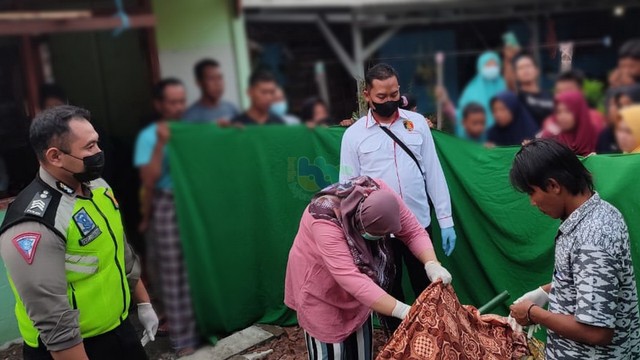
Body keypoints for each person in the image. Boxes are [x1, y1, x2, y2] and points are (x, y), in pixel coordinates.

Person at [0, 105, 158, 359]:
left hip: (116, 330)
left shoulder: (97, 187)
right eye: (89, 147)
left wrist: (143, 302)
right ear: (55, 156)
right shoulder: (35, 223)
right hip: (72, 348)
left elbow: (120, 251)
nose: (99, 152)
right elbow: (54, 321)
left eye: (97, 143)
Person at [340, 64, 456, 331]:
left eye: (394, 94)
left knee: (428, 284)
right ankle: (398, 342)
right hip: (378, 232)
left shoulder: (416, 125)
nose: (389, 101)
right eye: (381, 97)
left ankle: (435, 335)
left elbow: (434, 172)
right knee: (388, 289)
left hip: (418, 224)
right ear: (367, 95)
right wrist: (352, 234)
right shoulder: (353, 136)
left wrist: (445, 219)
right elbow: (347, 187)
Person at [284, 176, 452, 360]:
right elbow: (350, 278)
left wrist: (432, 264)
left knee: (360, 348)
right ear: (358, 224)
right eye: (373, 236)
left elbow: (413, 231)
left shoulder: (380, 192)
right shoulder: (323, 217)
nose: (380, 242)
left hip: (361, 286)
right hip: (319, 284)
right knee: (331, 352)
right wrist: (404, 311)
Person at [508, 139, 640, 360]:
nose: (532, 202)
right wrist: (547, 291)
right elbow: (591, 281)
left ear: (553, 185)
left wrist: (533, 313)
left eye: (532, 192)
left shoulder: (593, 238)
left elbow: (597, 332)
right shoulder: (598, 212)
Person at [133, 79, 199, 356]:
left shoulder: (193, 130)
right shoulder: (150, 136)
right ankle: (183, 341)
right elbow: (149, 179)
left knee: (197, 270)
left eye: (181, 100)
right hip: (167, 204)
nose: (178, 107)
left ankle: (198, 328)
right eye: (172, 102)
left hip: (196, 206)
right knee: (171, 275)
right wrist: (147, 216)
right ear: (159, 105)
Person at [437, 51, 506, 137]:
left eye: (494, 65)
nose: (492, 68)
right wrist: (446, 102)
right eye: (488, 65)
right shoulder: (472, 91)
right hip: (476, 140)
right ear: (481, 67)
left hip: (504, 139)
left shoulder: (504, 86)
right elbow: (461, 116)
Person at [541, 91, 598, 156]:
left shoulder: (595, 134)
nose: (562, 117)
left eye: (568, 111)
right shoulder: (549, 137)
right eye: (558, 112)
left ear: (579, 112)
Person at [184, 59, 239, 124]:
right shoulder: (191, 116)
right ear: (199, 83)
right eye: (211, 79)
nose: (218, 84)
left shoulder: (231, 108)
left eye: (220, 78)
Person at [509, 53, 555, 127]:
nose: (525, 70)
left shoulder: (550, 95)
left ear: (537, 71)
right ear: (515, 75)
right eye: (521, 68)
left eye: (528, 66)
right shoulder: (517, 98)